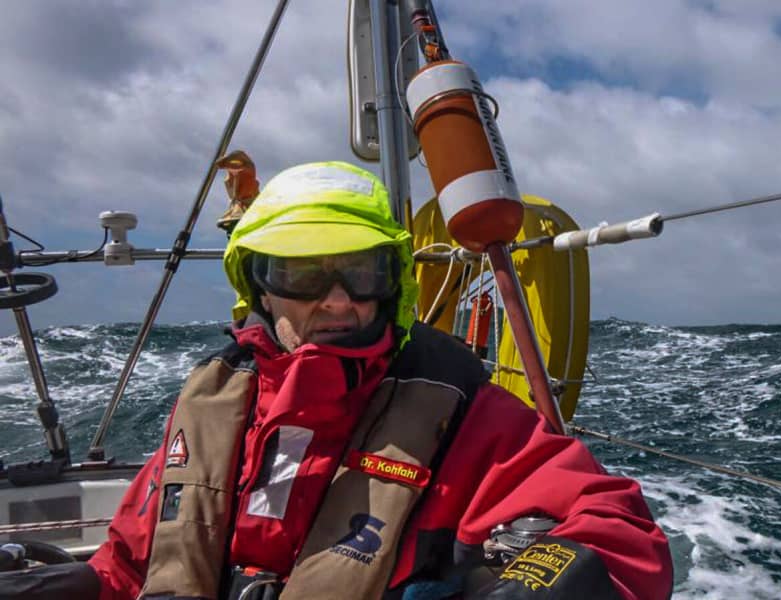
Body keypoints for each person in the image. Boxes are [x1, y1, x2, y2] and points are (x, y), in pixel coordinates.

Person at [12, 162, 673, 599]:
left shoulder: (464, 414)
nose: (335, 301)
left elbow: (617, 528)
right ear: (259, 287)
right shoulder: (215, 405)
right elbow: (130, 560)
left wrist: (546, 581)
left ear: (393, 284)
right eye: (303, 275)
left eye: (360, 272)